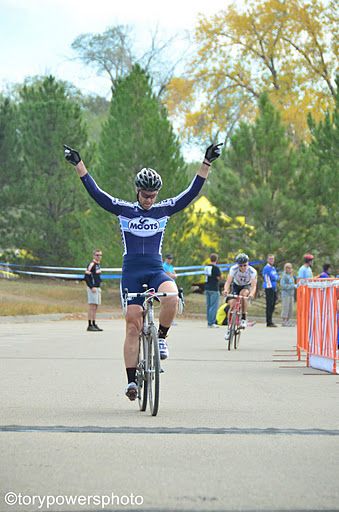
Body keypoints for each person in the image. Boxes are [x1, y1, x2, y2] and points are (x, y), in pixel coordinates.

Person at [64, 142, 223, 400]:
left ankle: (161, 336)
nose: (150, 200)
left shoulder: (164, 209)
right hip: (132, 273)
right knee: (132, 325)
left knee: (171, 297)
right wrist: (78, 164)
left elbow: (191, 192)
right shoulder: (124, 210)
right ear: (138, 192)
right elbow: (97, 194)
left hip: (155, 269)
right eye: (145, 195)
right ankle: (131, 382)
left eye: (153, 195)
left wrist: (207, 162)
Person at [223, 253, 257, 338]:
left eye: (245, 265)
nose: (243, 267)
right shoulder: (233, 269)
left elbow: (253, 286)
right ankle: (229, 328)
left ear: (248, 263)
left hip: (246, 285)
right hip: (236, 286)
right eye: (240, 266)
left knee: (243, 294)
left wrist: (252, 294)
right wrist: (226, 290)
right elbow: (228, 282)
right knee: (232, 304)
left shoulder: (252, 271)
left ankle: (243, 318)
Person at [84, 249, 104, 332]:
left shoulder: (98, 265)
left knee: (95, 307)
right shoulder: (91, 264)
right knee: (92, 306)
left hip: (97, 288)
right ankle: (89, 324)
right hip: (93, 289)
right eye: (97, 255)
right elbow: (86, 276)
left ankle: (94, 323)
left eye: (100, 255)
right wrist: (91, 286)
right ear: (93, 256)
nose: (99, 257)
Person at [204, 253, 222, 328]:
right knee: (214, 306)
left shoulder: (206, 267)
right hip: (214, 288)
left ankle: (209, 321)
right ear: (216, 259)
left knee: (208, 305)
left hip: (207, 287)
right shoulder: (216, 268)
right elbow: (219, 277)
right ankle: (212, 322)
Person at [262, 254, 279, 327]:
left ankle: (271, 320)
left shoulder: (273, 268)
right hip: (269, 287)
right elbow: (267, 278)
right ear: (267, 260)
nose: (272, 260)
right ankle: (269, 321)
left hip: (274, 287)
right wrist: (270, 285)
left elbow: (276, 276)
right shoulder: (266, 268)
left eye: (273, 259)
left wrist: (275, 278)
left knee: (273, 304)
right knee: (269, 304)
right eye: (270, 259)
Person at [280, 263, 296, 327]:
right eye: (288, 268)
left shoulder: (291, 276)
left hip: (291, 294)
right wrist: (292, 286)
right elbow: (283, 285)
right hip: (286, 294)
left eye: (290, 268)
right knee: (285, 307)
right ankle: (284, 321)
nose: (289, 269)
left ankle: (288, 320)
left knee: (290, 308)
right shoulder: (284, 276)